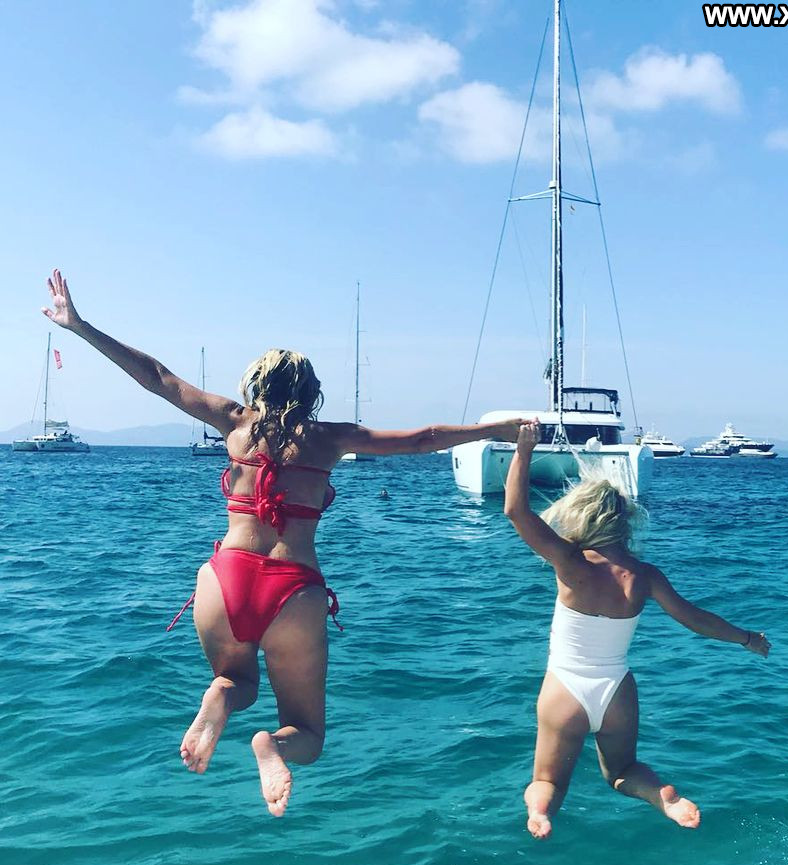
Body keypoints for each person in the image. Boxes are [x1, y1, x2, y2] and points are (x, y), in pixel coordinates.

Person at [43, 269, 524, 817]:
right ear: (312, 393)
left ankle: (221, 697)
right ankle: (272, 746)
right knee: (308, 733)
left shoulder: (233, 422)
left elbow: (157, 377)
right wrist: (495, 429)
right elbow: (423, 439)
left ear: (255, 387)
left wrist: (79, 326)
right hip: (292, 590)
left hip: (224, 580)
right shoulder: (330, 438)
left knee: (236, 680)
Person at [504, 420, 771, 839]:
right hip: (616, 691)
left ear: (581, 516)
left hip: (564, 689)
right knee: (623, 771)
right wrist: (747, 638)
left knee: (548, 780)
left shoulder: (570, 561)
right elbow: (695, 618)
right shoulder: (645, 576)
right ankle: (662, 798)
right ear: (625, 522)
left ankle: (541, 813)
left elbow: (516, 511)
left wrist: (523, 450)